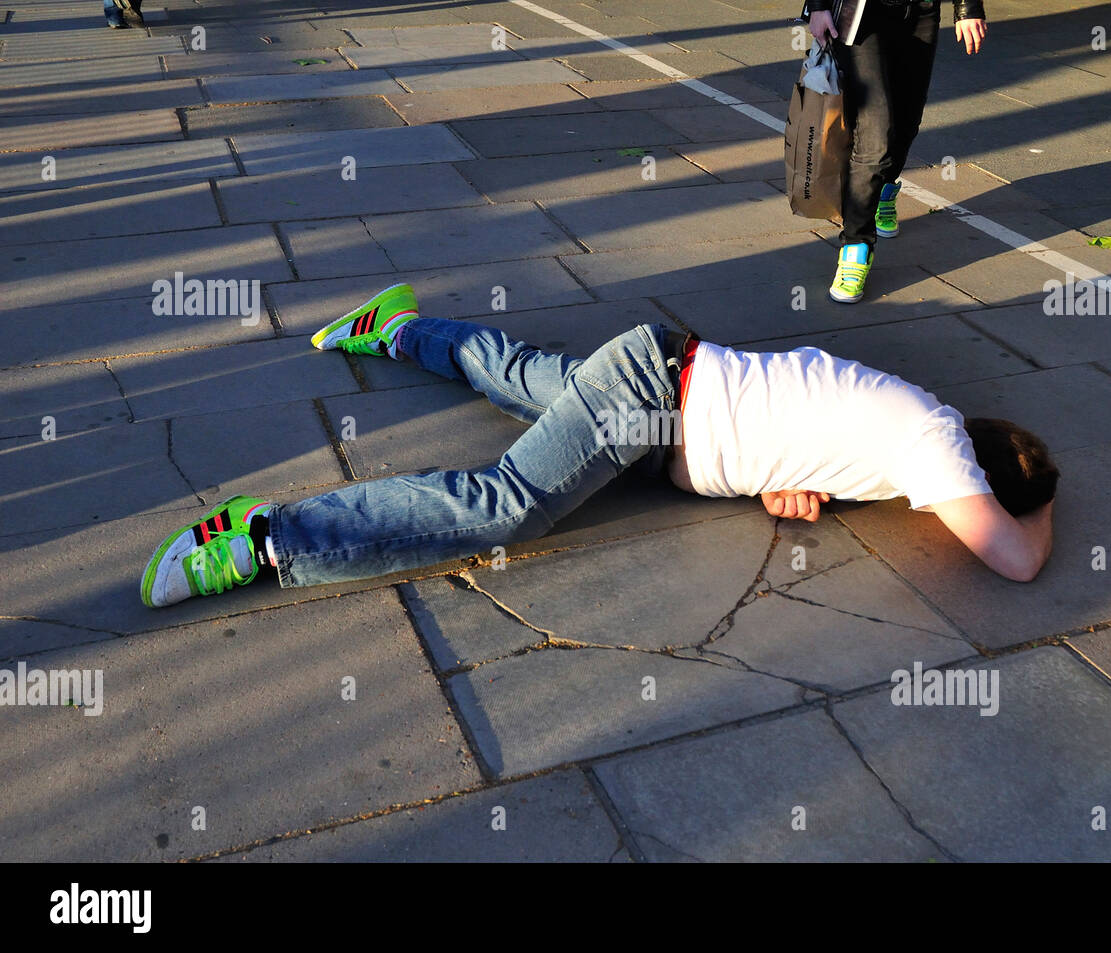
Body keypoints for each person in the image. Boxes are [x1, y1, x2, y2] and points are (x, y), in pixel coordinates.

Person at [139, 283, 1058, 608]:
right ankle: (263, 537)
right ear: (985, 474)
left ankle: (399, 326)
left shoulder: (912, 425)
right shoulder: (938, 445)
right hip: (651, 397)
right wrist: (1048, 496)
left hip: (659, 387)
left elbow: (791, 432)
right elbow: (1015, 560)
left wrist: (779, 485)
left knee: (525, 375)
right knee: (506, 505)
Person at [805, 0, 988, 303]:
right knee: (877, 135)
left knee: (906, 121)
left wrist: (968, 9)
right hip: (862, 12)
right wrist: (819, 6)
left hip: (922, 11)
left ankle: (885, 189)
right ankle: (856, 246)